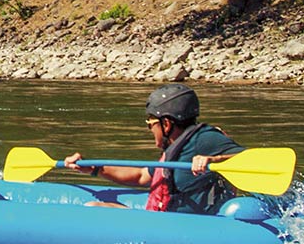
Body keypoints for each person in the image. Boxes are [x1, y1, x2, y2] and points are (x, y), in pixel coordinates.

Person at [61, 83, 245, 213]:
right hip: (166, 220)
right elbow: (142, 176)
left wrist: (213, 160)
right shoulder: (176, 148)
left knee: (94, 209)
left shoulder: (205, 139)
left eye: (150, 124)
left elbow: (253, 159)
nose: (150, 129)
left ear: (166, 124)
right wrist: (94, 169)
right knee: (96, 208)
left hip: (190, 228)